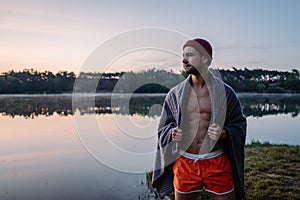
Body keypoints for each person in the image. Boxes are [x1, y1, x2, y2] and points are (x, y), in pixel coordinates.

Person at [152, 38, 247, 200]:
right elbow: (163, 128)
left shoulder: (226, 93)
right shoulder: (175, 94)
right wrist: (171, 133)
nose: (183, 59)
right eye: (183, 55)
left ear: (205, 59)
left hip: (215, 160)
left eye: (189, 55)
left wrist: (224, 133)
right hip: (185, 162)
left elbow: (240, 124)